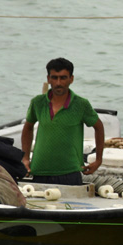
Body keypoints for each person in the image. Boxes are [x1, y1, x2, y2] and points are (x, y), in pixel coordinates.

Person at [21, 57, 105, 185]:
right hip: (40, 171)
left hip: (70, 172)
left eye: (63, 78)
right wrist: (25, 158)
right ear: (48, 79)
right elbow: (28, 127)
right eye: (54, 78)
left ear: (71, 79)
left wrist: (98, 160)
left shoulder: (81, 104)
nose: (58, 83)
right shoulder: (38, 102)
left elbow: (98, 127)